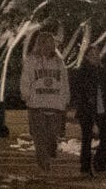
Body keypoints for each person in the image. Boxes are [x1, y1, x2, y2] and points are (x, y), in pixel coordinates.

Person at [21, 31, 70, 171]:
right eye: (45, 43)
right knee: (39, 135)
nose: (48, 46)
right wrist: (26, 95)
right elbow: (26, 79)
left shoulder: (59, 62)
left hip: (55, 104)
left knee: (52, 135)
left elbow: (64, 82)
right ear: (39, 44)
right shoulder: (31, 61)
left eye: (51, 43)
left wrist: (65, 98)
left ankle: (49, 152)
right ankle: (44, 162)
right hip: (37, 103)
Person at [71, 52, 106, 177]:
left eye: (97, 54)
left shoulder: (103, 71)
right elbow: (78, 89)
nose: (96, 57)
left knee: (105, 137)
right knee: (87, 138)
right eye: (92, 55)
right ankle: (85, 167)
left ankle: (99, 163)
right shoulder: (83, 72)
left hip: (102, 107)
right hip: (87, 109)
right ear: (86, 57)